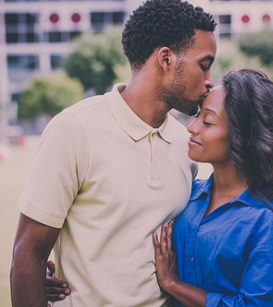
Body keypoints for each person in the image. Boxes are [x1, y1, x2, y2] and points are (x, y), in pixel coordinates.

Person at [10, 0, 217, 306]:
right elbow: (29, 253)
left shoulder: (186, 146)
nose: (210, 79)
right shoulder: (74, 130)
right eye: (204, 64)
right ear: (165, 59)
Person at [152, 69, 273, 306]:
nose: (192, 127)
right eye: (198, 116)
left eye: (207, 121)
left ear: (243, 136)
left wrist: (174, 284)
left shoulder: (271, 218)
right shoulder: (188, 194)